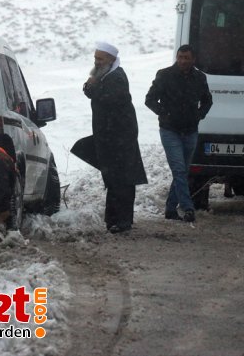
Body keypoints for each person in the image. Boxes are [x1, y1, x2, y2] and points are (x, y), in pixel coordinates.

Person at [83, 41, 147, 234]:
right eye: (95, 58)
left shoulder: (116, 78)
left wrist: (93, 85)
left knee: (123, 181)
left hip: (121, 140)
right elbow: (89, 92)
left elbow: (107, 100)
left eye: (100, 59)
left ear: (111, 60)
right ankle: (112, 220)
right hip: (109, 139)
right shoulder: (103, 75)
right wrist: (91, 83)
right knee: (113, 180)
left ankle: (122, 221)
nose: (97, 62)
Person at [145, 44, 213, 222]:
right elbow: (149, 99)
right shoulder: (165, 75)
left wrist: (199, 115)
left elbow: (207, 101)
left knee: (182, 171)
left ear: (193, 59)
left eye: (186, 58)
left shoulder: (199, 78)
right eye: (180, 57)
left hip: (190, 130)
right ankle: (187, 207)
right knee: (179, 169)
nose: (182, 61)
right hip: (170, 130)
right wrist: (164, 114)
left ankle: (170, 209)